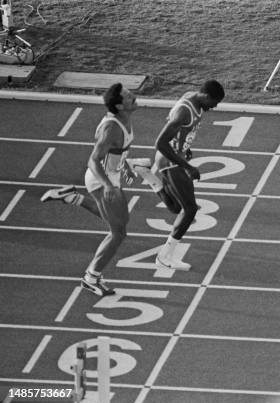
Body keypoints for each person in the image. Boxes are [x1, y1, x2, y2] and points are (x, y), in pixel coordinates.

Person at [40, 83, 138, 296]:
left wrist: (126, 167)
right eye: (129, 97)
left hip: (110, 177)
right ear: (120, 106)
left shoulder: (123, 118)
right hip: (100, 180)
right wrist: (108, 185)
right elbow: (94, 160)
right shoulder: (111, 127)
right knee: (118, 232)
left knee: (118, 221)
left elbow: (118, 150)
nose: (134, 98)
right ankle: (91, 277)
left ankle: (72, 198)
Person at [128, 80, 225, 271]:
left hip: (173, 158)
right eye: (214, 102)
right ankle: (164, 257)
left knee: (176, 208)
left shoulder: (193, 99)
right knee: (190, 210)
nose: (215, 106)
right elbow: (160, 143)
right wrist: (187, 166)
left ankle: (144, 172)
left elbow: (181, 132)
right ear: (205, 95)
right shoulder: (185, 111)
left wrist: (185, 147)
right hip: (170, 161)